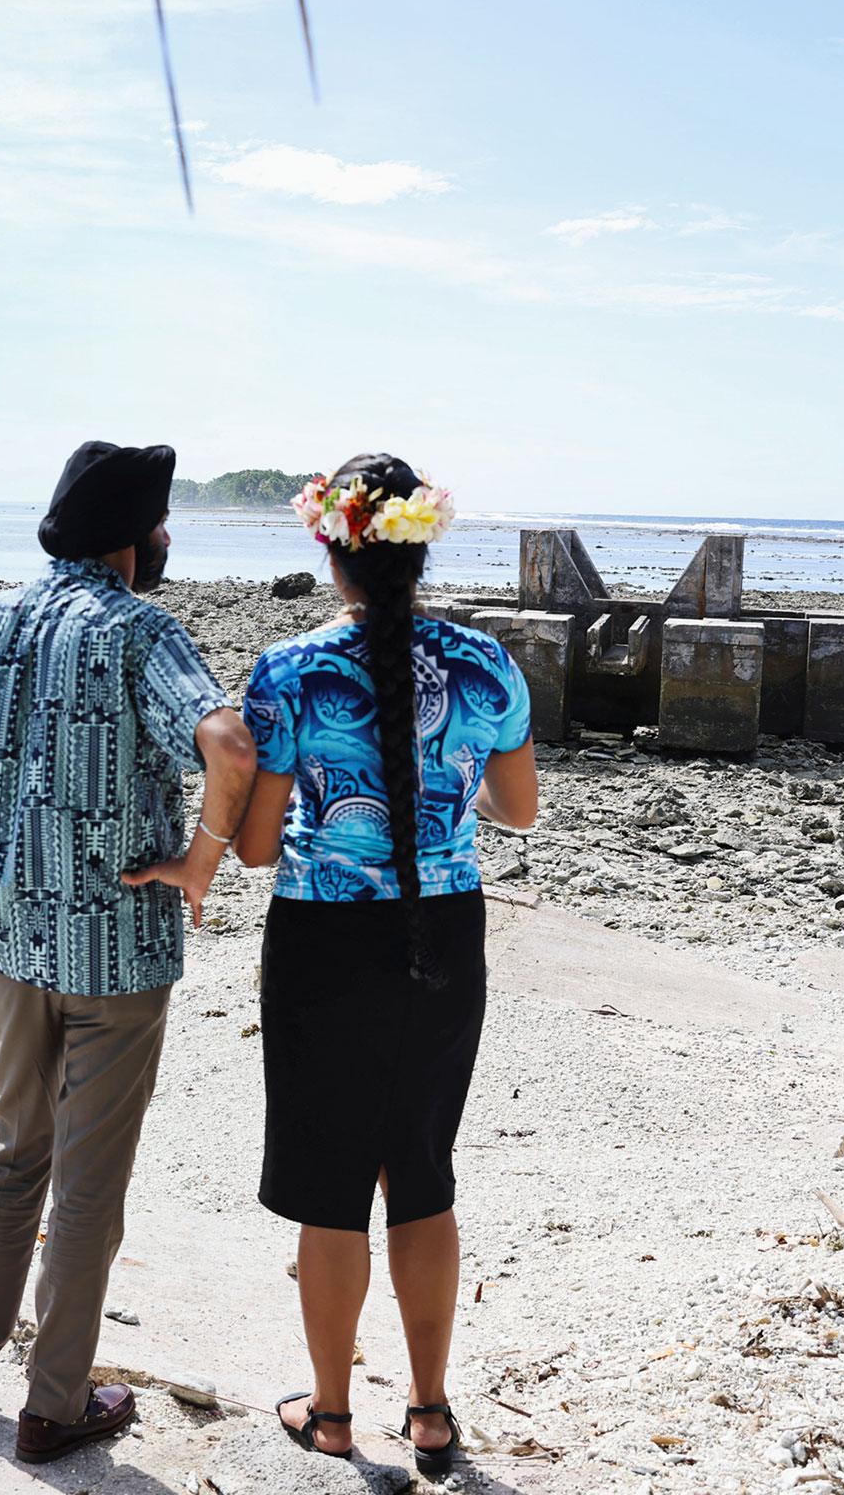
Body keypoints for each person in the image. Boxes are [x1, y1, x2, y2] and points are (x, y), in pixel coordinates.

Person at [0, 440, 257, 1466]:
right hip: (118, 947)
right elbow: (231, 744)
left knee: (14, 1148)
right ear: (130, 536)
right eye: (161, 525)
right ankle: (54, 1403)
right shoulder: (139, 630)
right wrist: (202, 863)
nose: (167, 540)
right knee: (87, 1182)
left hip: (6, 936)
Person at [232, 453, 539, 1476]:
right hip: (445, 933)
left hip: (325, 941)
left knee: (330, 1182)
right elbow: (521, 808)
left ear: (334, 550)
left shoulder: (287, 672)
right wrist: (452, 803)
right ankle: (433, 1412)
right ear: (421, 543)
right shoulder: (489, 666)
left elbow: (261, 848)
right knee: (423, 1170)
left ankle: (328, 1415)